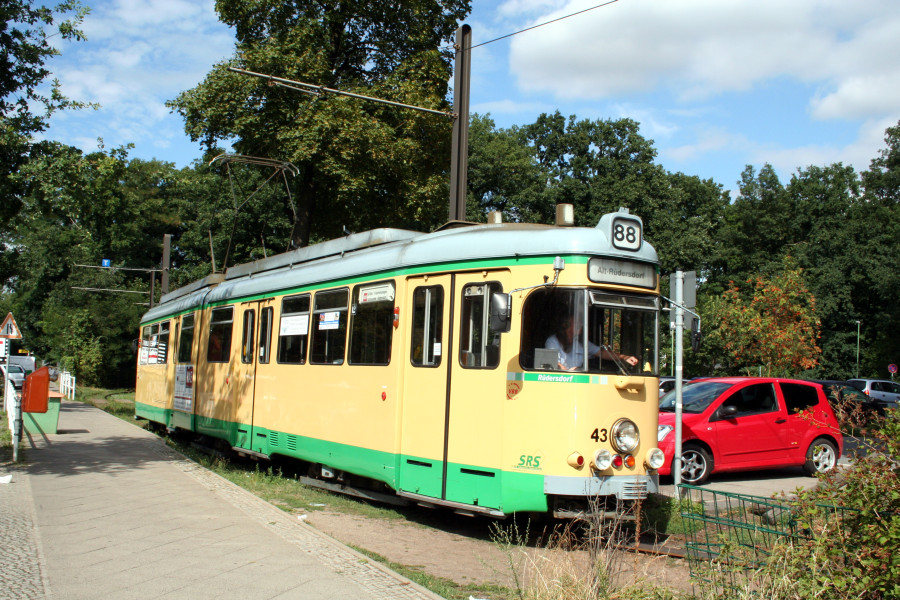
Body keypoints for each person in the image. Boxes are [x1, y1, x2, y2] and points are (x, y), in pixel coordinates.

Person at [545, 313, 638, 371]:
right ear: (566, 325)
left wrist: (624, 357)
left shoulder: (580, 342)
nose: (580, 325)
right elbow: (554, 364)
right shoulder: (552, 341)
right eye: (576, 322)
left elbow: (602, 353)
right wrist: (569, 371)